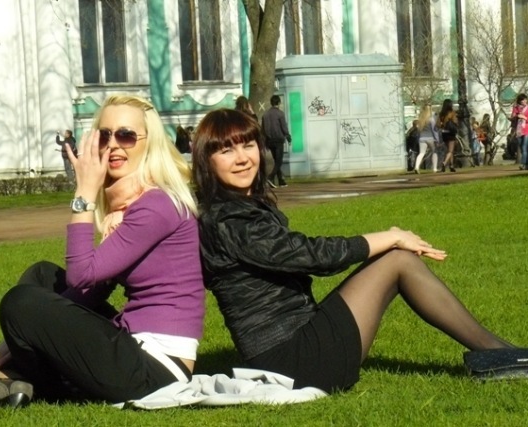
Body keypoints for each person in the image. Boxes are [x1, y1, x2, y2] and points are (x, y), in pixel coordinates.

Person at [191, 108, 515, 394]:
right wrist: (390, 238)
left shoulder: (239, 209)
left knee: (395, 257)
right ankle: (500, 354)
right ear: (207, 160)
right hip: (291, 363)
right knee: (398, 260)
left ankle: (502, 352)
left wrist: (388, 239)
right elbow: (312, 255)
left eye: (248, 145)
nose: (242, 158)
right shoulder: (229, 219)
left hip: (292, 346)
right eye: (227, 150)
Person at [0, 94, 205, 411]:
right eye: (104, 135)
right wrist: (26, 332)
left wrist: (84, 195)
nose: (113, 145)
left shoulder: (157, 204)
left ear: (150, 143)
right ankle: (22, 375)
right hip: (133, 347)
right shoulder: (135, 202)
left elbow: (81, 274)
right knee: (43, 276)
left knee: (20, 302)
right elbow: (93, 287)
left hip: (156, 369)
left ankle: (17, 378)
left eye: (126, 135)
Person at [262, 95, 291, 188]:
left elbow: (263, 129)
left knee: (276, 160)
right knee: (279, 161)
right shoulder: (280, 114)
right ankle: (270, 178)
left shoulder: (265, 114)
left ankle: (281, 180)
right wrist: (288, 136)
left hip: (269, 140)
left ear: (271, 103)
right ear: (278, 102)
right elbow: (283, 127)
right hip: (278, 139)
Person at [413, 105, 438, 174]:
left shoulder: (420, 120)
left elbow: (418, 131)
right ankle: (435, 168)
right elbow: (434, 130)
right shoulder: (431, 119)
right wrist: (437, 139)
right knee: (434, 152)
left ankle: (416, 167)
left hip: (422, 138)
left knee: (421, 153)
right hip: (430, 138)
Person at [437, 99, 458, 172]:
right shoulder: (452, 113)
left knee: (449, 150)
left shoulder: (441, 114)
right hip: (451, 133)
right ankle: (444, 163)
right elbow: (455, 121)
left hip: (444, 133)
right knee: (450, 150)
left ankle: (451, 166)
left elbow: (438, 124)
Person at [511, 94, 528, 170]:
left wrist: (524, 117)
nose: (524, 101)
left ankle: (523, 164)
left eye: (525, 99)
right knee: (522, 148)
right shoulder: (516, 108)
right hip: (519, 130)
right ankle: (526, 164)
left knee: (524, 147)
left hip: (526, 130)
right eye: (522, 100)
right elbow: (512, 117)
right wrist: (515, 116)